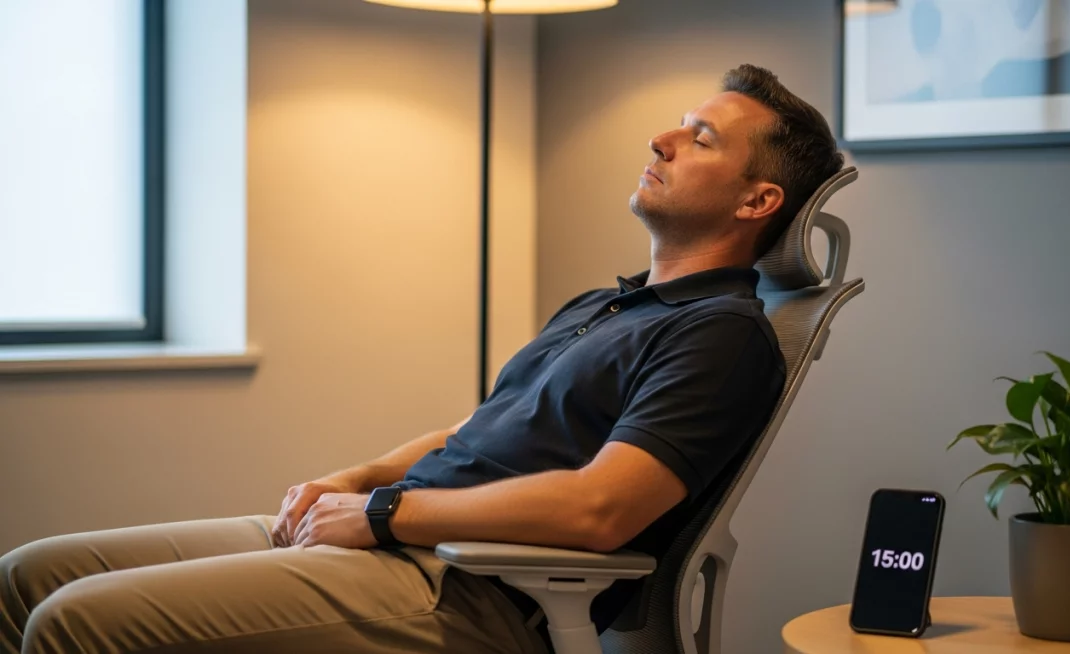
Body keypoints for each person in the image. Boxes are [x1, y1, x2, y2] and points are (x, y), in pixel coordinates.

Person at [0, 64, 843, 654]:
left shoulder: (722, 336)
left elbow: (601, 512)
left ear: (757, 200)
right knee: (29, 575)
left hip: (471, 589)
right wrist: (354, 479)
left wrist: (383, 517)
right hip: (396, 538)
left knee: (74, 623)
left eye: (698, 138)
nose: (661, 139)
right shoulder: (608, 306)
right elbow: (474, 430)